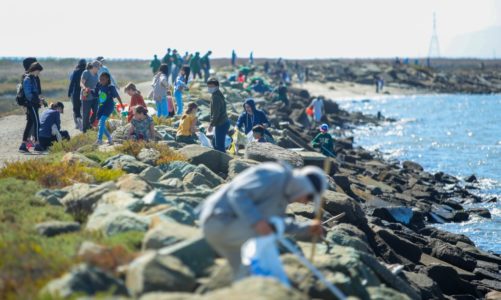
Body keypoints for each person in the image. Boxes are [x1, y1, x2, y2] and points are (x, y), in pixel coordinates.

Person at [200, 162, 326, 279]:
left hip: (233, 227)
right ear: (303, 186)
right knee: (266, 244)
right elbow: (238, 193)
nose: (305, 203)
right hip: (218, 220)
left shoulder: (284, 193)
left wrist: (307, 228)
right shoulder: (275, 175)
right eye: (309, 197)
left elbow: (277, 223)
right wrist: (257, 221)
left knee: (245, 276)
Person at [20, 62, 45, 153]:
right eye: (38, 71)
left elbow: (35, 92)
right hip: (31, 105)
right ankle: (37, 145)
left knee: (30, 124)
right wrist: (38, 101)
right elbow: (28, 95)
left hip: (34, 104)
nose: (39, 73)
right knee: (37, 123)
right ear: (34, 70)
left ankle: (23, 145)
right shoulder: (27, 79)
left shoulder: (33, 78)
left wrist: (41, 99)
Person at [93, 72, 124, 145]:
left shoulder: (111, 87)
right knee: (100, 125)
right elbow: (95, 94)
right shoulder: (99, 85)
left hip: (109, 107)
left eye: (103, 79)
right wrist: (88, 92)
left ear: (107, 79)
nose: (101, 81)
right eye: (100, 79)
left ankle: (99, 140)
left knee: (102, 121)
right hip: (101, 107)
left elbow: (117, 96)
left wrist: (121, 104)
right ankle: (110, 138)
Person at [207, 78, 229, 152]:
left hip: (221, 123)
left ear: (217, 87)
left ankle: (224, 162)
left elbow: (216, 113)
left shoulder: (216, 97)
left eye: (211, 86)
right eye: (208, 86)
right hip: (223, 122)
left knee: (219, 146)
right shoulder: (217, 93)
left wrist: (211, 124)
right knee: (215, 143)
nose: (209, 88)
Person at [81, 60, 101, 132]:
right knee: (86, 114)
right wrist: (84, 88)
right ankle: (85, 130)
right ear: (94, 67)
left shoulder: (96, 74)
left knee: (96, 111)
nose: (98, 70)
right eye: (98, 68)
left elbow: (97, 84)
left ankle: (90, 125)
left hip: (94, 96)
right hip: (86, 96)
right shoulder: (86, 73)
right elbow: (81, 83)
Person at [68, 59, 87, 130]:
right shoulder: (86, 72)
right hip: (84, 93)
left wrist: (69, 92)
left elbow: (72, 83)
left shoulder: (75, 72)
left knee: (76, 109)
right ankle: (83, 124)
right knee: (83, 108)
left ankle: (78, 124)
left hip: (75, 93)